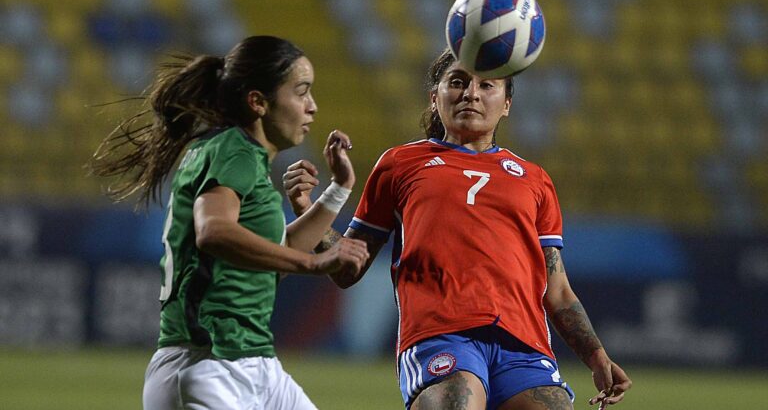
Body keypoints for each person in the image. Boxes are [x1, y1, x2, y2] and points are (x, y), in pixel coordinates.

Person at [284, 49, 631, 410]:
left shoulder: (535, 180)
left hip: (522, 345)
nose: (471, 93)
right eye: (458, 82)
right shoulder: (399, 164)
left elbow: (557, 291)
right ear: (435, 98)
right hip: (441, 336)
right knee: (455, 402)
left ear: (507, 103)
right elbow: (347, 269)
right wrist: (308, 208)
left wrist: (597, 356)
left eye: (487, 85)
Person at [89, 35, 369, 410]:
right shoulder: (231, 150)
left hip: (255, 365)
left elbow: (272, 260)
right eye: (301, 92)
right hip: (206, 365)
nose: (312, 107)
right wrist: (315, 263)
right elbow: (213, 232)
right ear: (258, 102)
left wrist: (339, 189)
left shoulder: (246, 160)